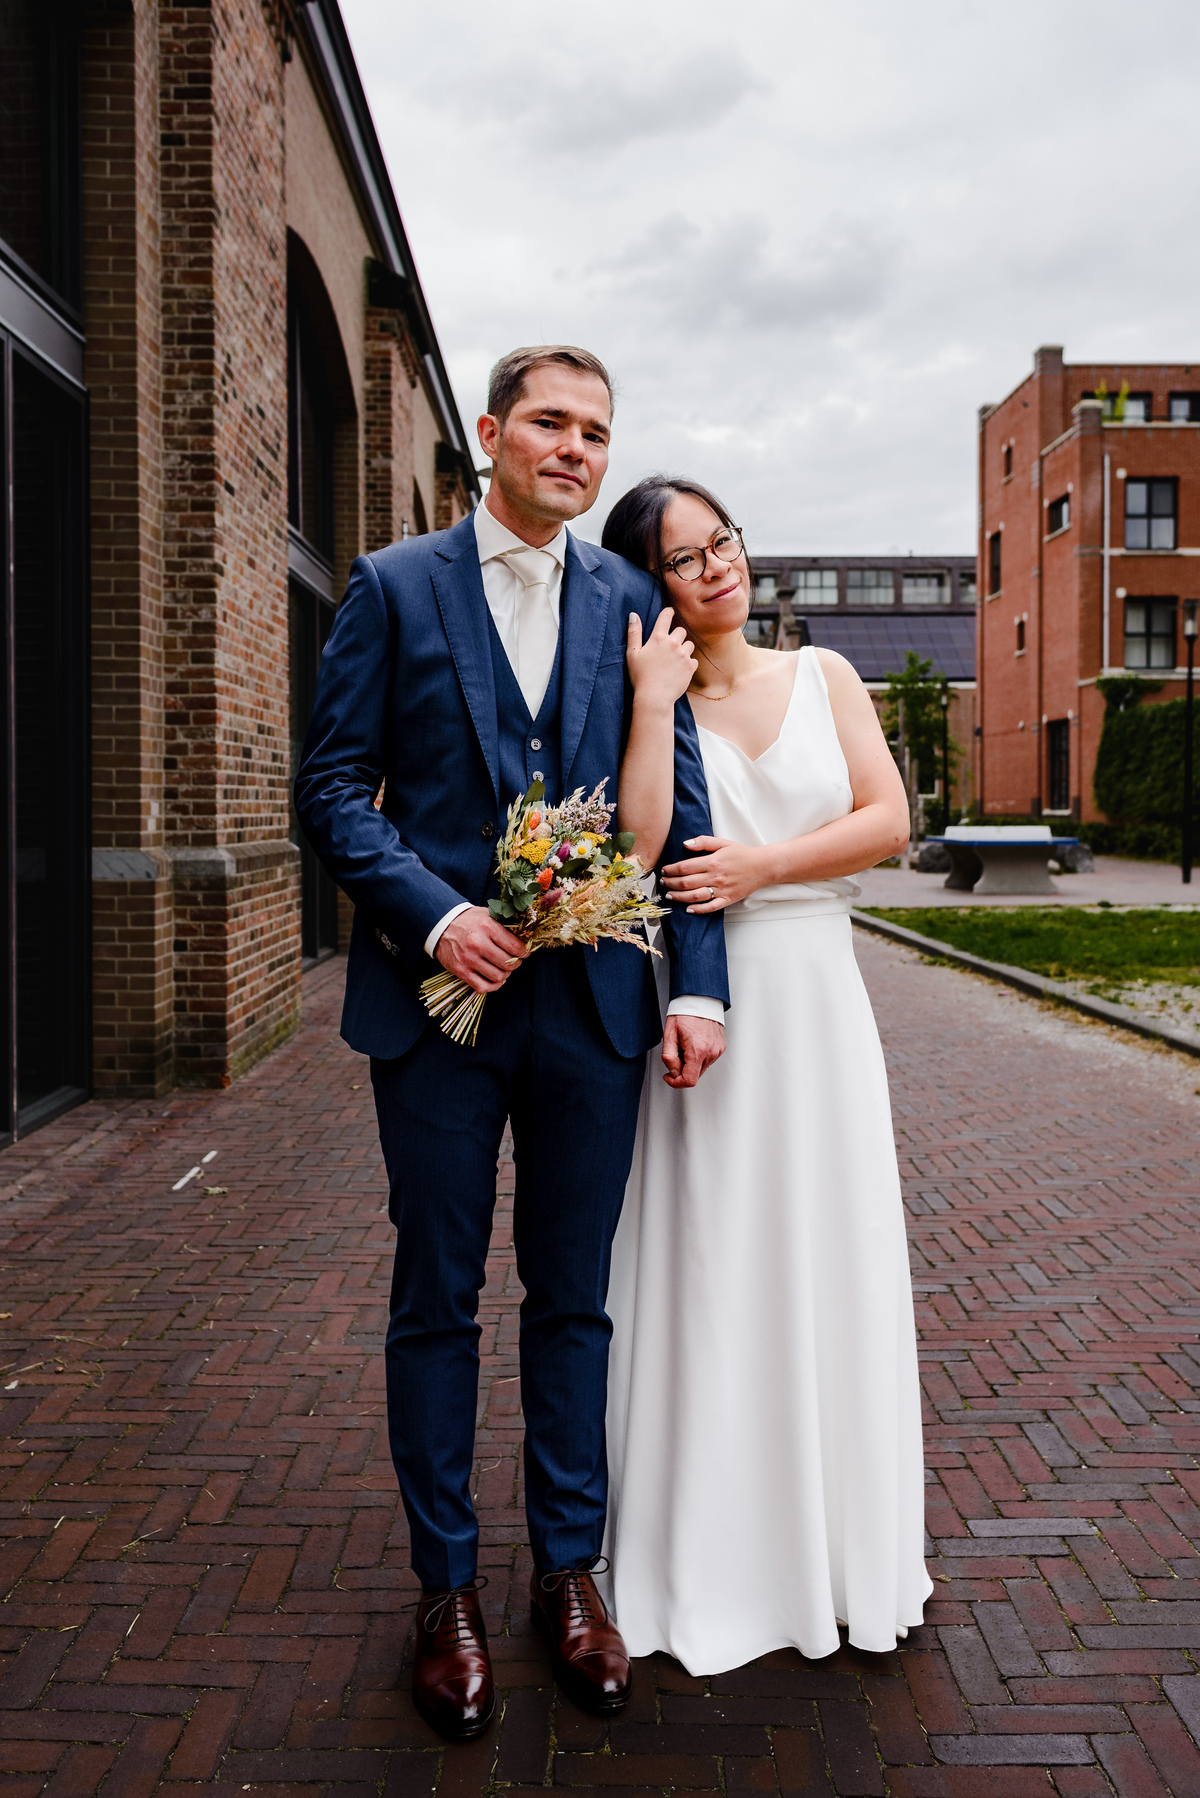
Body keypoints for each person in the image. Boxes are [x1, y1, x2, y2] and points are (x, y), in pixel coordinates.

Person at [293, 353, 729, 1740]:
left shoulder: (628, 600)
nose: (578, 448)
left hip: (593, 1010)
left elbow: (692, 818)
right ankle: (443, 1590)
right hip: (437, 1017)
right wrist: (430, 915)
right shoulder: (394, 583)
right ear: (490, 433)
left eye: (599, 432)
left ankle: (569, 1576)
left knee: (573, 1299)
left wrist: (698, 989)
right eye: (552, 421)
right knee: (436, 1296)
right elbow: (330, 789)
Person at [599, 476, 932, 1673]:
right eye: (685, 558)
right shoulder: (652, 698)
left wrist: (765, 867)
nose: (717, 568)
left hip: (816, 996)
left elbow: (890, 819)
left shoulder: (824, 675)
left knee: (827, 1251)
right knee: (710, 1256)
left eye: (723, 541)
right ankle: (712, 1546)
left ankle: (837, 1549)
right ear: (655, 583)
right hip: (706, 1004)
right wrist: (648, 710)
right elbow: (634, 850)